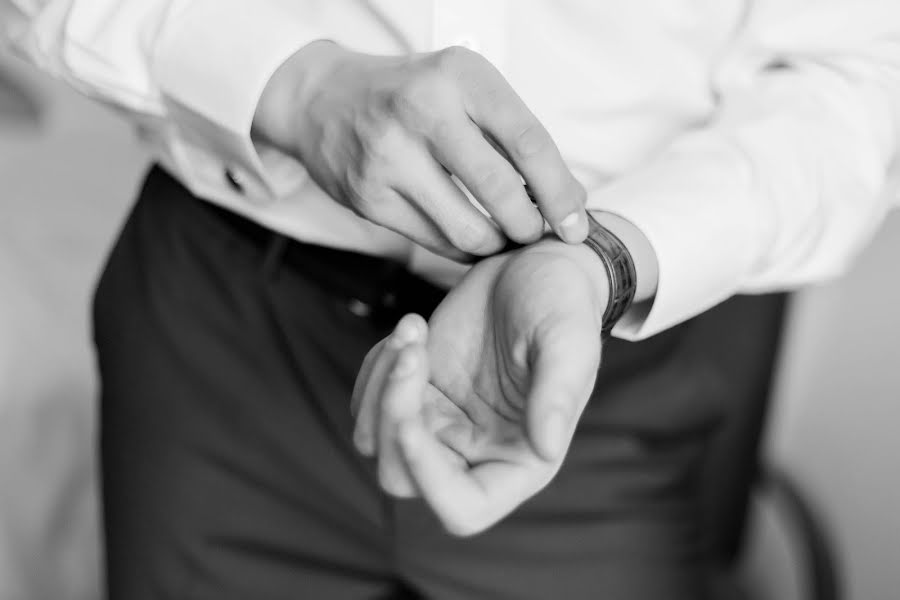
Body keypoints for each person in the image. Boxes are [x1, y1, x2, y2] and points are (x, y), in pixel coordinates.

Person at [3, 1, 899, 598]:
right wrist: (292, 86)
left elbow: (859, 84)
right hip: (222, 335)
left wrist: (605, 263)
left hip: (592, 392)